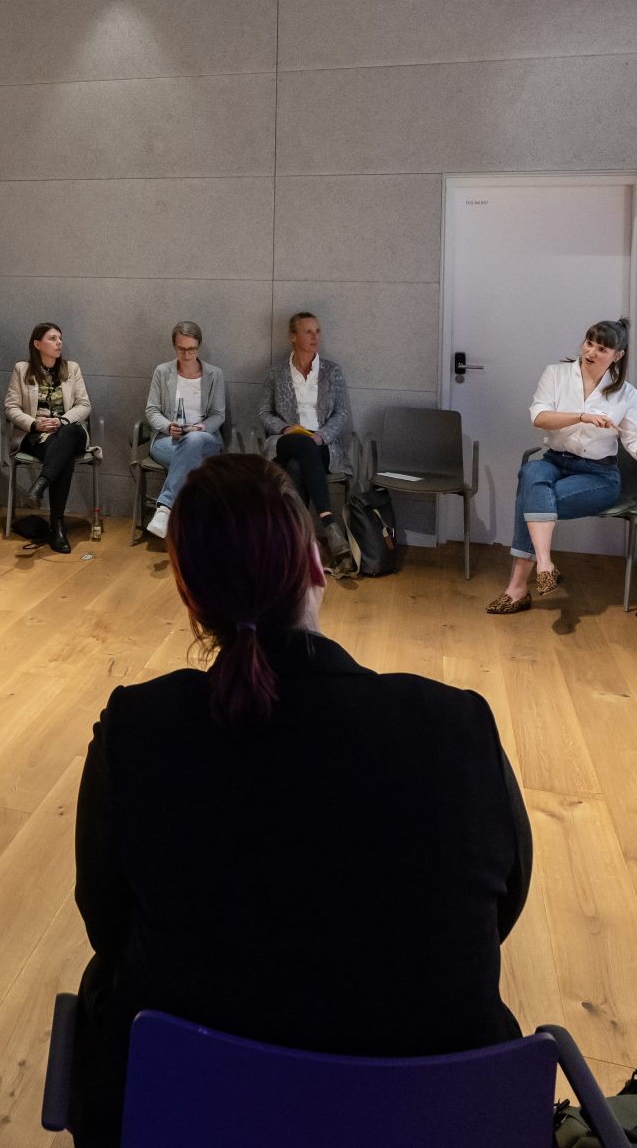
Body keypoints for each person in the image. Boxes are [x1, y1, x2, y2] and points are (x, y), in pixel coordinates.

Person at [70, 455, 532, 1144]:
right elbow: (503, 905)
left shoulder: (137, 730)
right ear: (316, 568)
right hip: (426, 1118)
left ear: (190, 595)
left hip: (191, 1112)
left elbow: (106, 923)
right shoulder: (455, 726)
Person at [488, 319, 637, 614]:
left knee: (531, 495)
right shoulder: (556, 374)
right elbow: (539, 417)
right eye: (589, 343)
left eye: (602, 348)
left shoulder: (627, 395)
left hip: (599, 475)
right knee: (533, 472)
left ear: (618, 355)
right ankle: (545, 565)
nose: (591, 352)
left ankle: (518, 588)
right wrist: (580, 416)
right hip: (555, 461)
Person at [260, 311, 352, 560]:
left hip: (320, 443)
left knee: (297, 464)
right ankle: (329, 522)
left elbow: (341, 413)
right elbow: (264, 412)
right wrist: (283, 428)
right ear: (293, 336)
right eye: (308, 331)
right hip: (285, 439)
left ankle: (298, 540)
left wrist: (322, 435)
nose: (315, 337)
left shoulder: (332, 371)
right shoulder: (277, 371)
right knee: (298, 445)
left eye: (317, 331)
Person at [3, 322, 93, 554]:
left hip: (69, 432)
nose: (59, 343)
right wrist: (34, 423)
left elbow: (84, 405)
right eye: (52, 338)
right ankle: (57, 525)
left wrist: (62, 421)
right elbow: (11, 407)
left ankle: (40, 485)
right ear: (37, 344)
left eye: (60, 338)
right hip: (38, 436)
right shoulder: (22, 370)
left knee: (69, 432)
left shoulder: (71, 368)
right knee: (63, 458)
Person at [140, 320, 227, 543]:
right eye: (182, 349)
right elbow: (152, 410)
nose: (187, 354)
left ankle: (164, 507)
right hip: (169, 439)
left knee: (195, 440)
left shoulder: (214, 374)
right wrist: (168, 426)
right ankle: (197, 530)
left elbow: (219, 414)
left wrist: (201, 427)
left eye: (192, 349)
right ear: (174, 347)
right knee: (193, 464)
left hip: (205, 438)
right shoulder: (162, 372)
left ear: (199, 347)